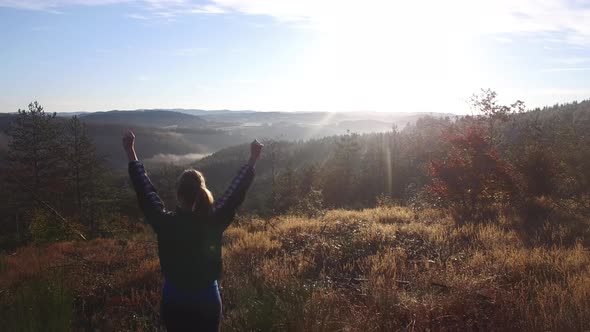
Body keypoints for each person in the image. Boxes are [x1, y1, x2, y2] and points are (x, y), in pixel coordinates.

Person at [123, 130, 263, 332]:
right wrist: (253, 159)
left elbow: (145, 191)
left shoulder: (165, 222)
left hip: (174, 297)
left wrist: (130, 151)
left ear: (178, 193)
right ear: (202, 193)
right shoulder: (213, 220)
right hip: (207, 297)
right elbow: (235, 191)